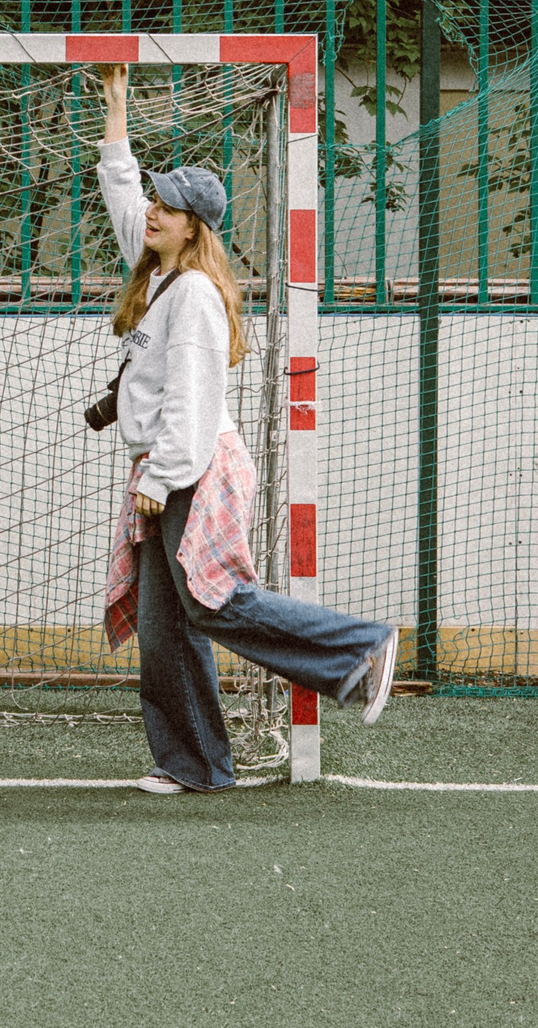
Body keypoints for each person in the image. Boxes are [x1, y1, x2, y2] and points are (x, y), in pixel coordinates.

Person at [91, 63, 399, 793]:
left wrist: (162, 479)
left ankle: (359, 649)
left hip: (193, 465)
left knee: (214, 598)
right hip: (166, 465)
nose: (152, 212)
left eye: (166, 206)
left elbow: (193, 402)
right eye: (156, 202)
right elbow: (121, 195)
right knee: (168, 626)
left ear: (192, 224)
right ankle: (194, 761)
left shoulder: (193, 293)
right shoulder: (163, 272)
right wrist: (115, 106)